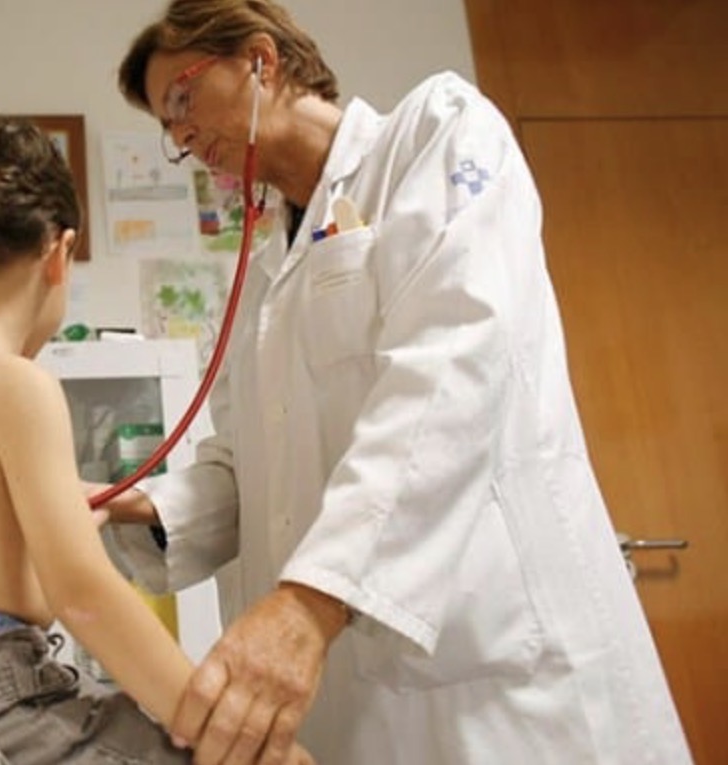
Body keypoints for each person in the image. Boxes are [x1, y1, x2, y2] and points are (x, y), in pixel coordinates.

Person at [93, 1, 694, 763]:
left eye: (182, 99)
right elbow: (255, 461)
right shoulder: (260, 276)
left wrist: (311, 601)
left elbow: (451, 368)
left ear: (259, 60)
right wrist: (149, 507)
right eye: (166, 127)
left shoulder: (436, 136)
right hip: (353, 684)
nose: (181, 136)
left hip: (493, 668)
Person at [0, 113, 304, 764]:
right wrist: (225, 732)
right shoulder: (17, 384)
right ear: (58, 254)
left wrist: (66, 520)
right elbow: (83, 598)